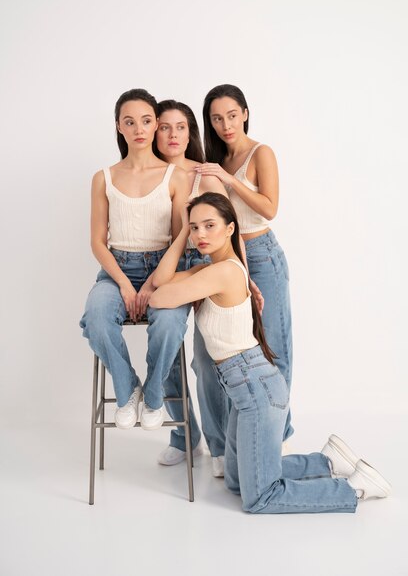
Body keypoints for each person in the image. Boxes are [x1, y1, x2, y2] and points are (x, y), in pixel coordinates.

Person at [149, 192, 391, 513]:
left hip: (256, 390)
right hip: (245, 390)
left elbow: (156, 297)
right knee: (236, 482)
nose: (200, 234)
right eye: (195, 228)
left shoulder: (221, 273)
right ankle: (327, 461)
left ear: (230, 229)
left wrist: (185, 235)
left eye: (209, 225)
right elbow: (160, 281)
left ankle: (355, 488)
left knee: (260, 497)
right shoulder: (212, 268)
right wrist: (182, 232)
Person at [79, 88, 191, 431]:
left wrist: (155, 282)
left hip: (164, 268)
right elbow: (98, 242)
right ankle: (128, 390)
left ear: (155, 123)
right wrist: (126, 286)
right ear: (119, 127)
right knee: (96, 319)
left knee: (170, 325)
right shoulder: (104, 178)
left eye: (146, 121)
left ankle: (154, 395)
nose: (139, 129)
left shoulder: (176, 177)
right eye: (130, 122)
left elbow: (181, 237)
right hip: (116, 271)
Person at [196, 84, 294, 449]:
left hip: (262, 255)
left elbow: (269, 207)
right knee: (215, 355)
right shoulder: (214, 162)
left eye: (232, 115)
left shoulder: (260, 153)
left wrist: (228, 180)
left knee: (272, 349)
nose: (226, 124)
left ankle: (274, 437)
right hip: (226, 260)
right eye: (217, 118)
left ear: (245, 114)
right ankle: (222, 447)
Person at [153, 99, 230, 471]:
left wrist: (241, 277)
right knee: (166, 351)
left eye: (180, 127)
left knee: (204, 359)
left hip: (202, 267)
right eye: (164, 127)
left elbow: (230, 231)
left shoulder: (205, 174)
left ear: (191, 132)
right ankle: (185, 438)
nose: (173, 135)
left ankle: (219, 447)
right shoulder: (146, 173)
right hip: (162, 268)